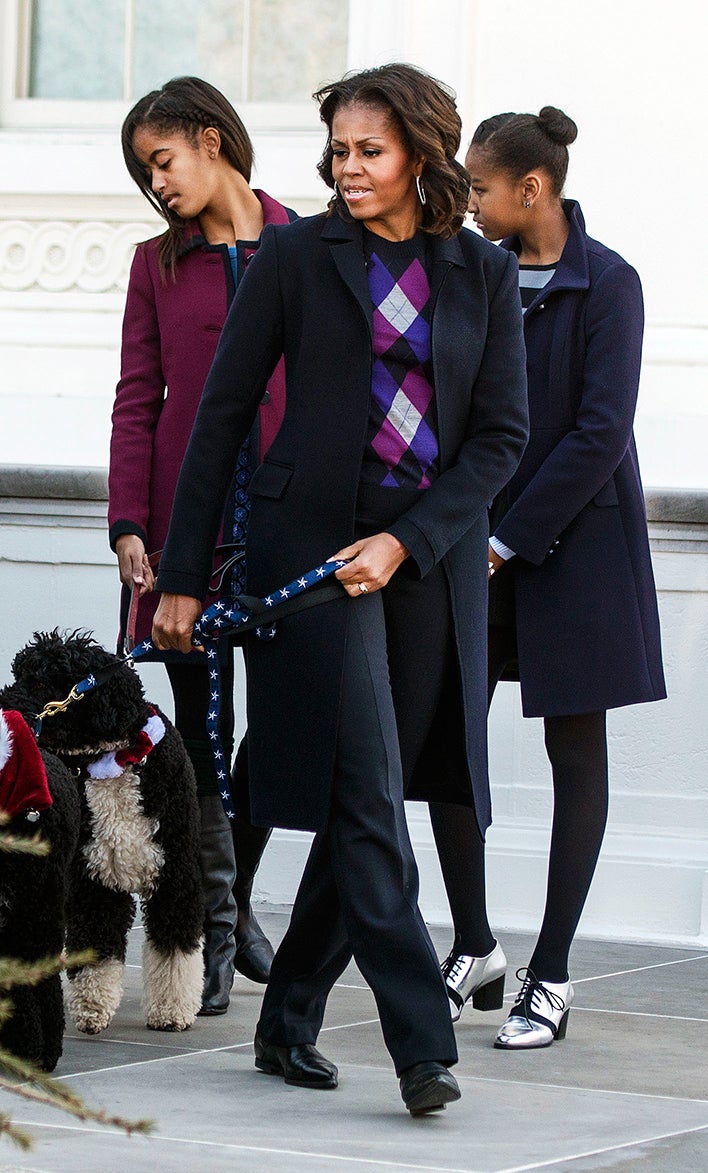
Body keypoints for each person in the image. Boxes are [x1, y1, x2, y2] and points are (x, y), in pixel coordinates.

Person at [152, 63, 528, 1113]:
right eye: (338, 151)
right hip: (310, 560)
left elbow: (501, 439)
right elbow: (221, 413)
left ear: (421, 153)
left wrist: (405, 542)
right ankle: (422, 1045)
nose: (347, 167)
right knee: (364, 790)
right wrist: (181, 577)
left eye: (369, 150)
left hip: (424, 564)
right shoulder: (293, 256)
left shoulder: (482, 273)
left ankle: (286, 1019)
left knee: (368, 795)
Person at [432, 106, 666, 1048]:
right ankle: (474, 944)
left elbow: (602, 431)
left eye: (480, 186)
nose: (468, 200)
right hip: (472, 546)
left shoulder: (612, 282)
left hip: (576, 552)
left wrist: (507, 540)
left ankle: (553, 973)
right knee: (447, 741)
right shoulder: (470, 271)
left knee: (578, 756)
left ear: (531, 188)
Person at [108, 76, 296, 1016]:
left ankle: (236, 892)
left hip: (289, 524)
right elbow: (137, 396)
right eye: (147, 172)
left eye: (164, 161)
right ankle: (217, 928)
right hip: (187, 533)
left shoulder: (308, 244)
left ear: (211, 140)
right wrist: (128, 522)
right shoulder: (156, 264)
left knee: (286, 723)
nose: (159, 184)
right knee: (199, 735)